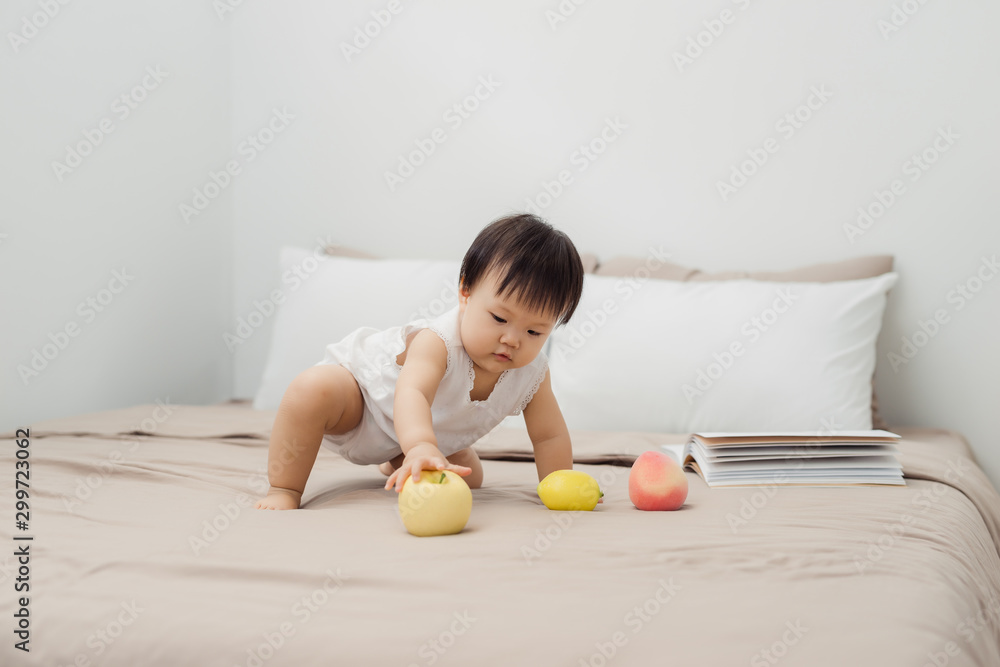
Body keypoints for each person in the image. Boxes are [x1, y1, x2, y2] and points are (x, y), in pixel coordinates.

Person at [254, 213, 584, 510]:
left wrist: (560, 484)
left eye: (534, 331)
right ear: (465, 293)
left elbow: (549, 436)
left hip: (419, 433)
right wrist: (421, 444)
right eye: (499, 318)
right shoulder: (437, 341)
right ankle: (284, 489)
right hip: (364, 406)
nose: (513, 339)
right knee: (312, 389)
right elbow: (412, 393)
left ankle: (397, 458)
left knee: (470, 478)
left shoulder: (533, 373)